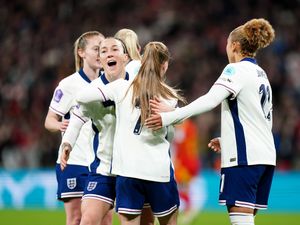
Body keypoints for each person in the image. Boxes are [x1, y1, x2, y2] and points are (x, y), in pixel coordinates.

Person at [145, 18, 276, 225]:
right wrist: (228, 142)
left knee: (240, 221)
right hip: (265, 157)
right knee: (247, 219)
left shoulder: (235, 70)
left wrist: (169, 116)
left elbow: (210, 100)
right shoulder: (262, 74)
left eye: (226, 44)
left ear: (234, 45)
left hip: (245, 159)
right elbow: (261, 121)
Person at [62, 39, 185, 225]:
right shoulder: (98, 89)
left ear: (126, 58)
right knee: (87, 221)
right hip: (105, 169)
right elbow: (79, 114)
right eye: (103, 51)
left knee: (145, 222)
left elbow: (168, 134)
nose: (109, 54)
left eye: (114, 50)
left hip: (131, 170)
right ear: (100, 59)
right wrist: (68, 142)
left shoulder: (134, 86)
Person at [44, 31, 105, 225]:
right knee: (76, 218)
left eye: (102, 49)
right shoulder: (68, 84)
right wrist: (59, 124)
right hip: (74, 161)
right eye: (96, 49)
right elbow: (49, 120)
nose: (100, 54)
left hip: (101, 162)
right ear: (81, 53)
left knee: (105, 219)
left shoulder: (109, 83)